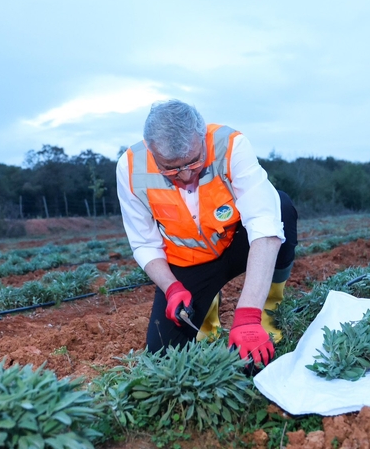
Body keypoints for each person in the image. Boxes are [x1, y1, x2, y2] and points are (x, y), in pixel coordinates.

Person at [116, 99, 298, 365]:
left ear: (202, 137)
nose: (187, 176)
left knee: (280, 206)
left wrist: (248, 316)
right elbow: (144, 242)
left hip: (236, 242)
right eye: (171, 169)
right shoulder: (130, 169)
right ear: (150, 150)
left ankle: (269, 310)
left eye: (194, 162)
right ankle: (206, 310)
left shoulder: (231, 145)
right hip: (188, 262)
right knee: (162, 358)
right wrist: (172, 288)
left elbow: (264, 223)